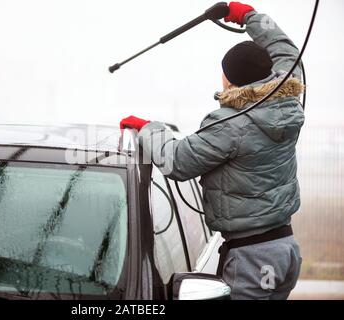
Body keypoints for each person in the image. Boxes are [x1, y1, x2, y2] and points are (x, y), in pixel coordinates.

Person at [119, 2, 304, 300]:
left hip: (253, 260)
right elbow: (285, 49)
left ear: (229, 80)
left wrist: (148, 129)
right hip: (284, 250)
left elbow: (177, 161)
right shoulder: (287, 99)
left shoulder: (231, 124)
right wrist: (250, 17)